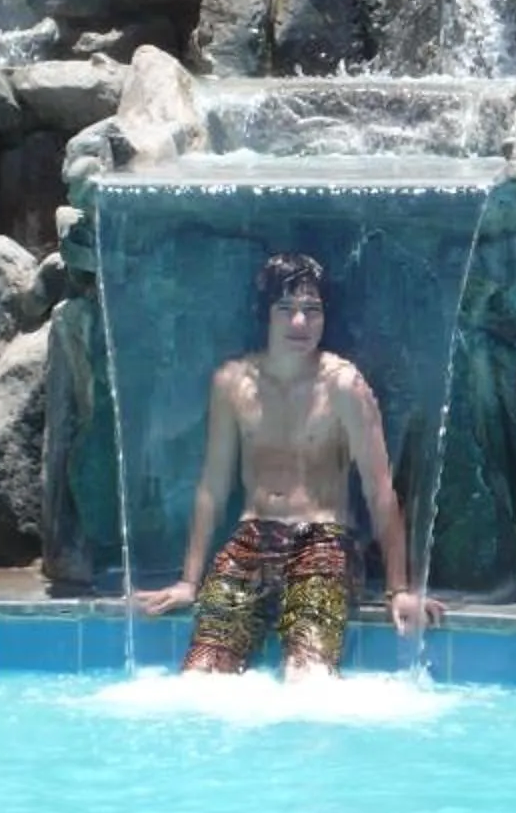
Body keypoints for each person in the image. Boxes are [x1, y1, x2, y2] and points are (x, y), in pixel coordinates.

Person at [132, 252, 442, 675]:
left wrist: (399, 589)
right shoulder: (232, 383)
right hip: (249, 541)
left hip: (323, 542)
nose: (301, 324)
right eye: (287, 310)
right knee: (199, 676)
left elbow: (380, 489)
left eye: (312, 311)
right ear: (266, 315)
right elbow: (212, 486)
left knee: (308, 676)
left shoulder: (344, 386)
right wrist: (190, 581)